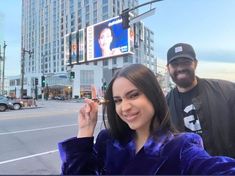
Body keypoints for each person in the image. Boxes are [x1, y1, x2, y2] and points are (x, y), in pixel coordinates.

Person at [58, 64, 235, 175]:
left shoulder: (181, 148)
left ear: (153, 95)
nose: (124, 107)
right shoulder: (108, 140)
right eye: (118, 100)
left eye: (133, 95)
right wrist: (85, 130)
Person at [166, 43, 235, 158]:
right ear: (168, 68)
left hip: (225, 167)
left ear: (195, 64)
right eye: (175, 64)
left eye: (186, 62)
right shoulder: (165, 104)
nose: (181, 68)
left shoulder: (226, 91)